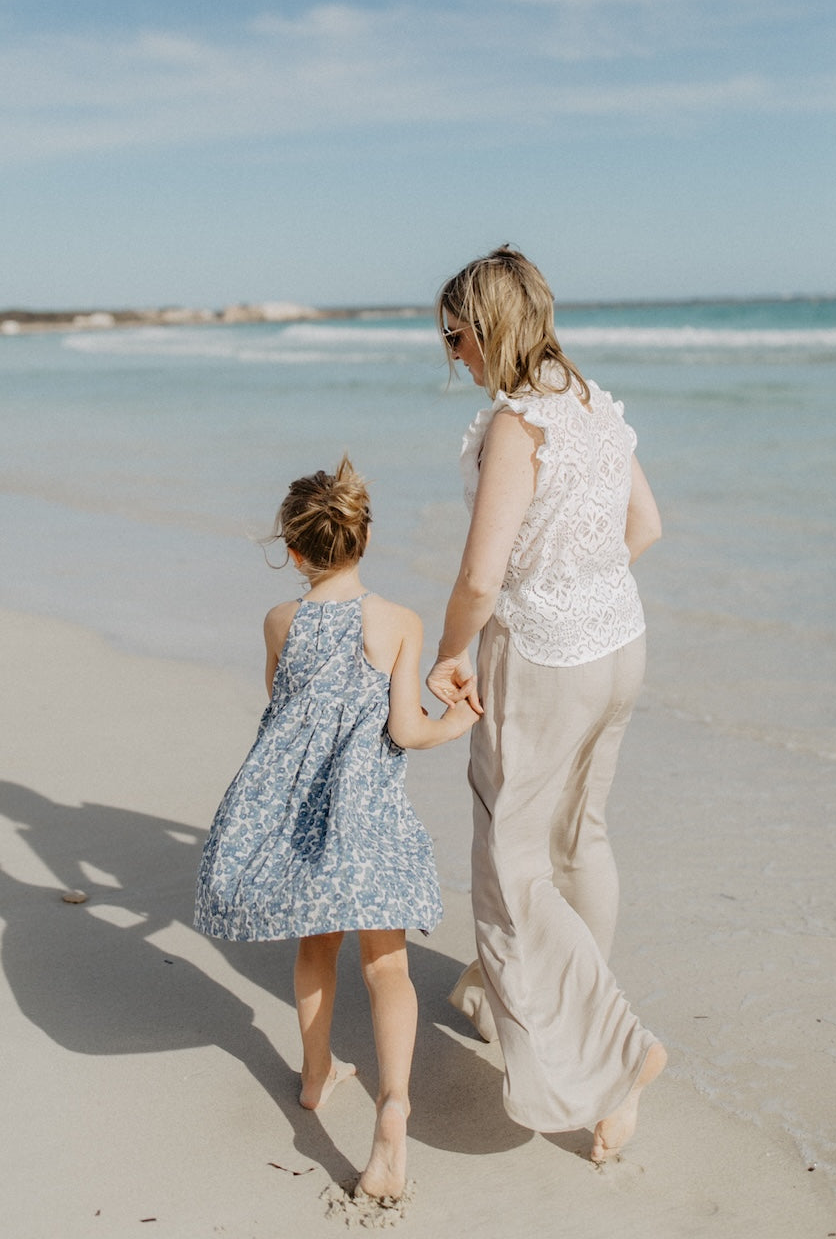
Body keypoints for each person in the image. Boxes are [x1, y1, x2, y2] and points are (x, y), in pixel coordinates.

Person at [426, 246, 667, 1165]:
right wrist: (581, 588)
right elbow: (644, 527)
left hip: (540, 659)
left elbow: (482, 575)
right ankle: (511, 994)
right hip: (619, 645)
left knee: (510, 864)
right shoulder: (595, 405)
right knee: (582, 839)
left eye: (455, 339)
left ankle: (611, 1055)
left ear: (487, 330)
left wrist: (451, 654)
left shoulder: (516, 427)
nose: (455, 359)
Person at [194, 456, 481, 1200]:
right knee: (387, 968)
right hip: (368, 816)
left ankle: (316, 1075)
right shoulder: (398, 622)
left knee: (315, 948)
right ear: (363, 539)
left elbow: (281, 708)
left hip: (299, 817)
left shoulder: (279, 621)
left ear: (291, 549)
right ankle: (394, 1109)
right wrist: (455, 726)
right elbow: (406, 730)